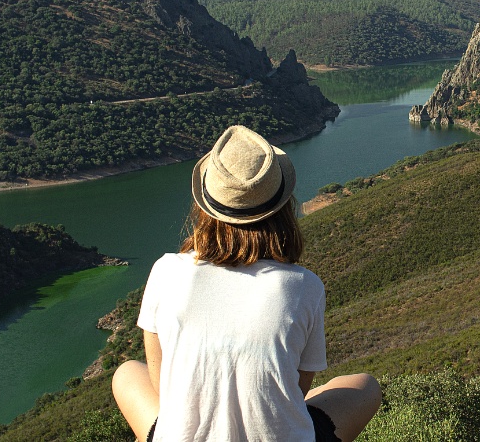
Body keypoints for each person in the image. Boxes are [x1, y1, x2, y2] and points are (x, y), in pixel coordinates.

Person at [112, 125, 381, 441]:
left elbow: (163, 390)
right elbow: (297, 391)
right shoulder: (304, 286)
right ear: (282, 208)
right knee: (365, 386)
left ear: (206, 206)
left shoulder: (165, 270)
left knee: (126, 373)